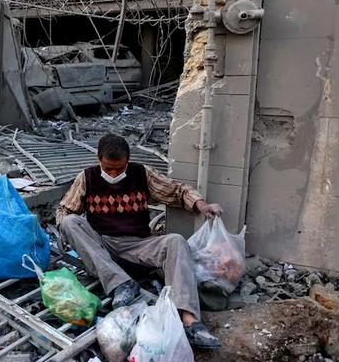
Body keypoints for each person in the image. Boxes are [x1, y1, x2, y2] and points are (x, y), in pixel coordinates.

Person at [57, 133, 222, 349]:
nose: (114, 174)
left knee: (176, 241)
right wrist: (67, 233)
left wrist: (201, 205)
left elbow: (176, 190)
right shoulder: (87, 177)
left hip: (138, 245)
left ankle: (190, 321)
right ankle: (121, 284)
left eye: (119, 168)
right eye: (108, 169)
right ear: (99, 160)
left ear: (128, 161)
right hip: (102, 246)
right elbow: (64, 210)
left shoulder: (141, 173)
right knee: (69, 221)